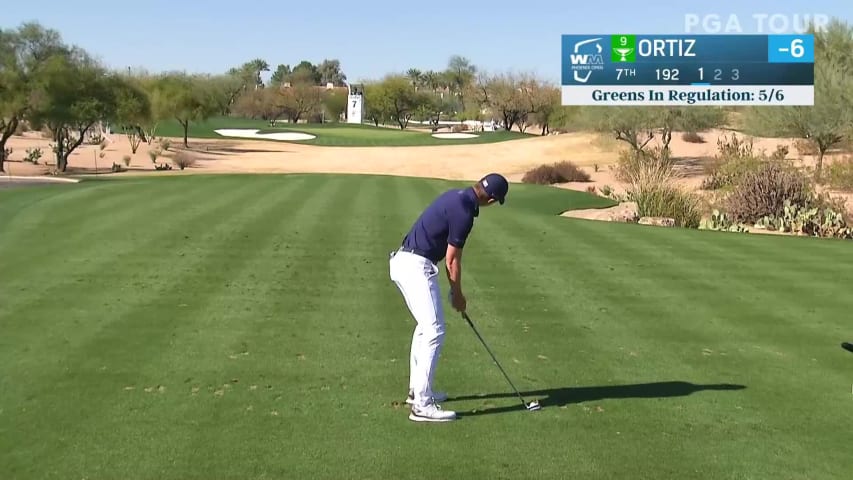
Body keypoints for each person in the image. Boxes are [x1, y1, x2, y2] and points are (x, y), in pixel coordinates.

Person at [388, 173, 509, 422]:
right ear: (493, 199)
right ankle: (421, 405)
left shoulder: (455, 195)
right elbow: (452, 260)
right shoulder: (464, 212)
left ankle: (417, 390)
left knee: (425, 328)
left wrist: (454, 292)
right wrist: (458, 294)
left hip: (402, 261)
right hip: (416, 266)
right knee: (435, 330)